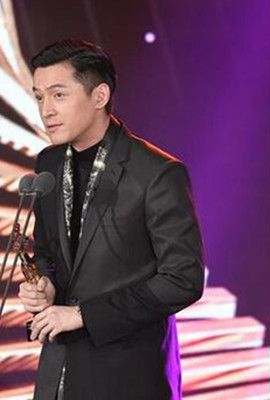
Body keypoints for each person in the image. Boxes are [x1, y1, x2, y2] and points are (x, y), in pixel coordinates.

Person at [17, 38, 205, 400]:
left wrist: (82, 315)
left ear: (99, 96)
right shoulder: (49, 163)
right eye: (39, 97)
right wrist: (44, 283)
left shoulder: (157, 172)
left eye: (58, 95)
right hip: (59, 371)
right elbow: (46, 252)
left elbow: (183, 279)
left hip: (129, 374)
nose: (46, 110)